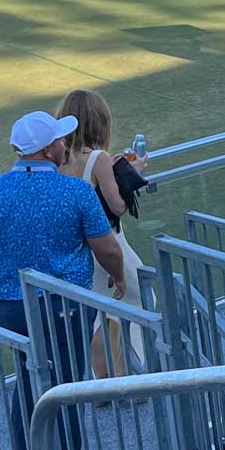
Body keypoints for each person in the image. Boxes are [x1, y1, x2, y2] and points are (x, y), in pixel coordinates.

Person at [0, 110, 126, 450]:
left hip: (12, 305)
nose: (66, 145)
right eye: (61, 140)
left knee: (27, 375)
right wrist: (117, 275)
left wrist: (0, 273)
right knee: (65, 382)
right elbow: (108, 248)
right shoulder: (76, 192)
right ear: (49, 149)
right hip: (66, 305)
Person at [53, 89, 150, 377]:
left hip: (77, 250)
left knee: (98, 313)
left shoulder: (56, 159)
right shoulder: (98, 158)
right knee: (141, 300)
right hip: (108, 243)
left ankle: (103, 379)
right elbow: (117, 206)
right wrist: (132, 172)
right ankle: (138, 374)